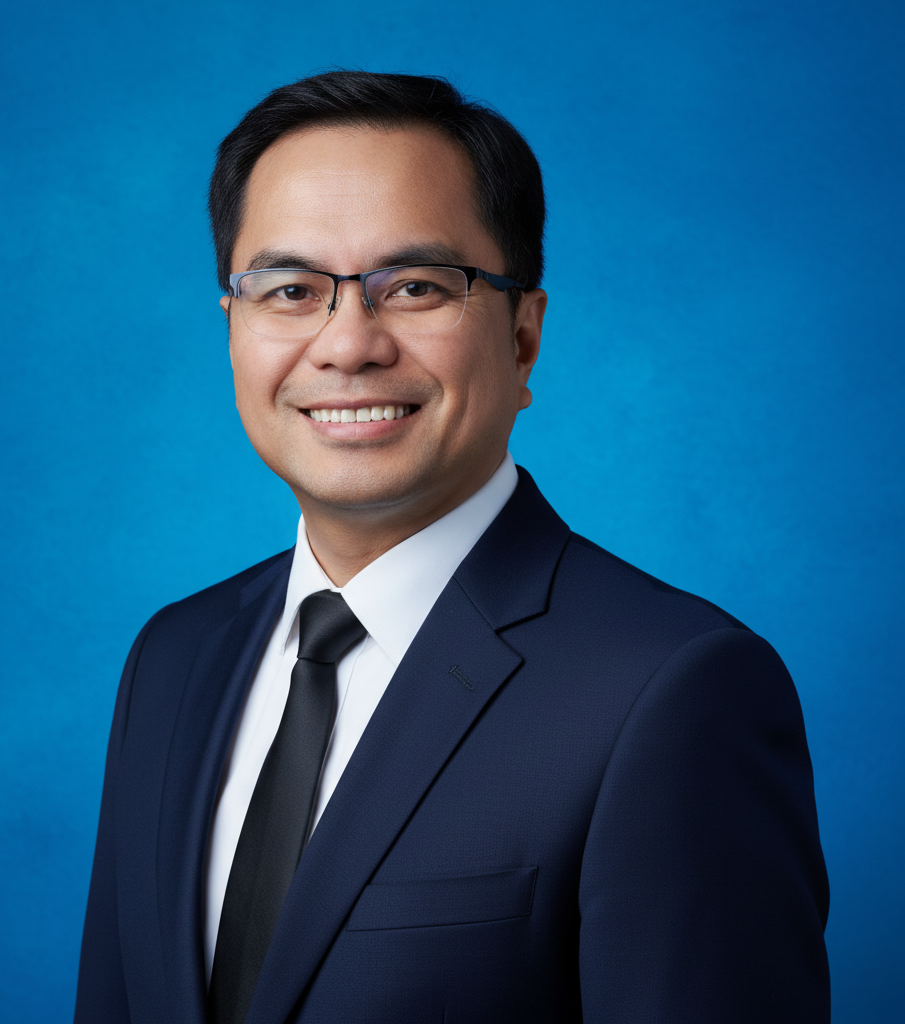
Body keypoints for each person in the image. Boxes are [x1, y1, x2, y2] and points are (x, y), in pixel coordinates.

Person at [74, 71, 829, 1024]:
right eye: (292, 289)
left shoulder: (675, 688)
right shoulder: (173, 658)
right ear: (234, 326)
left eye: (418, 286)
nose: (347, 345)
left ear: (522, 337)